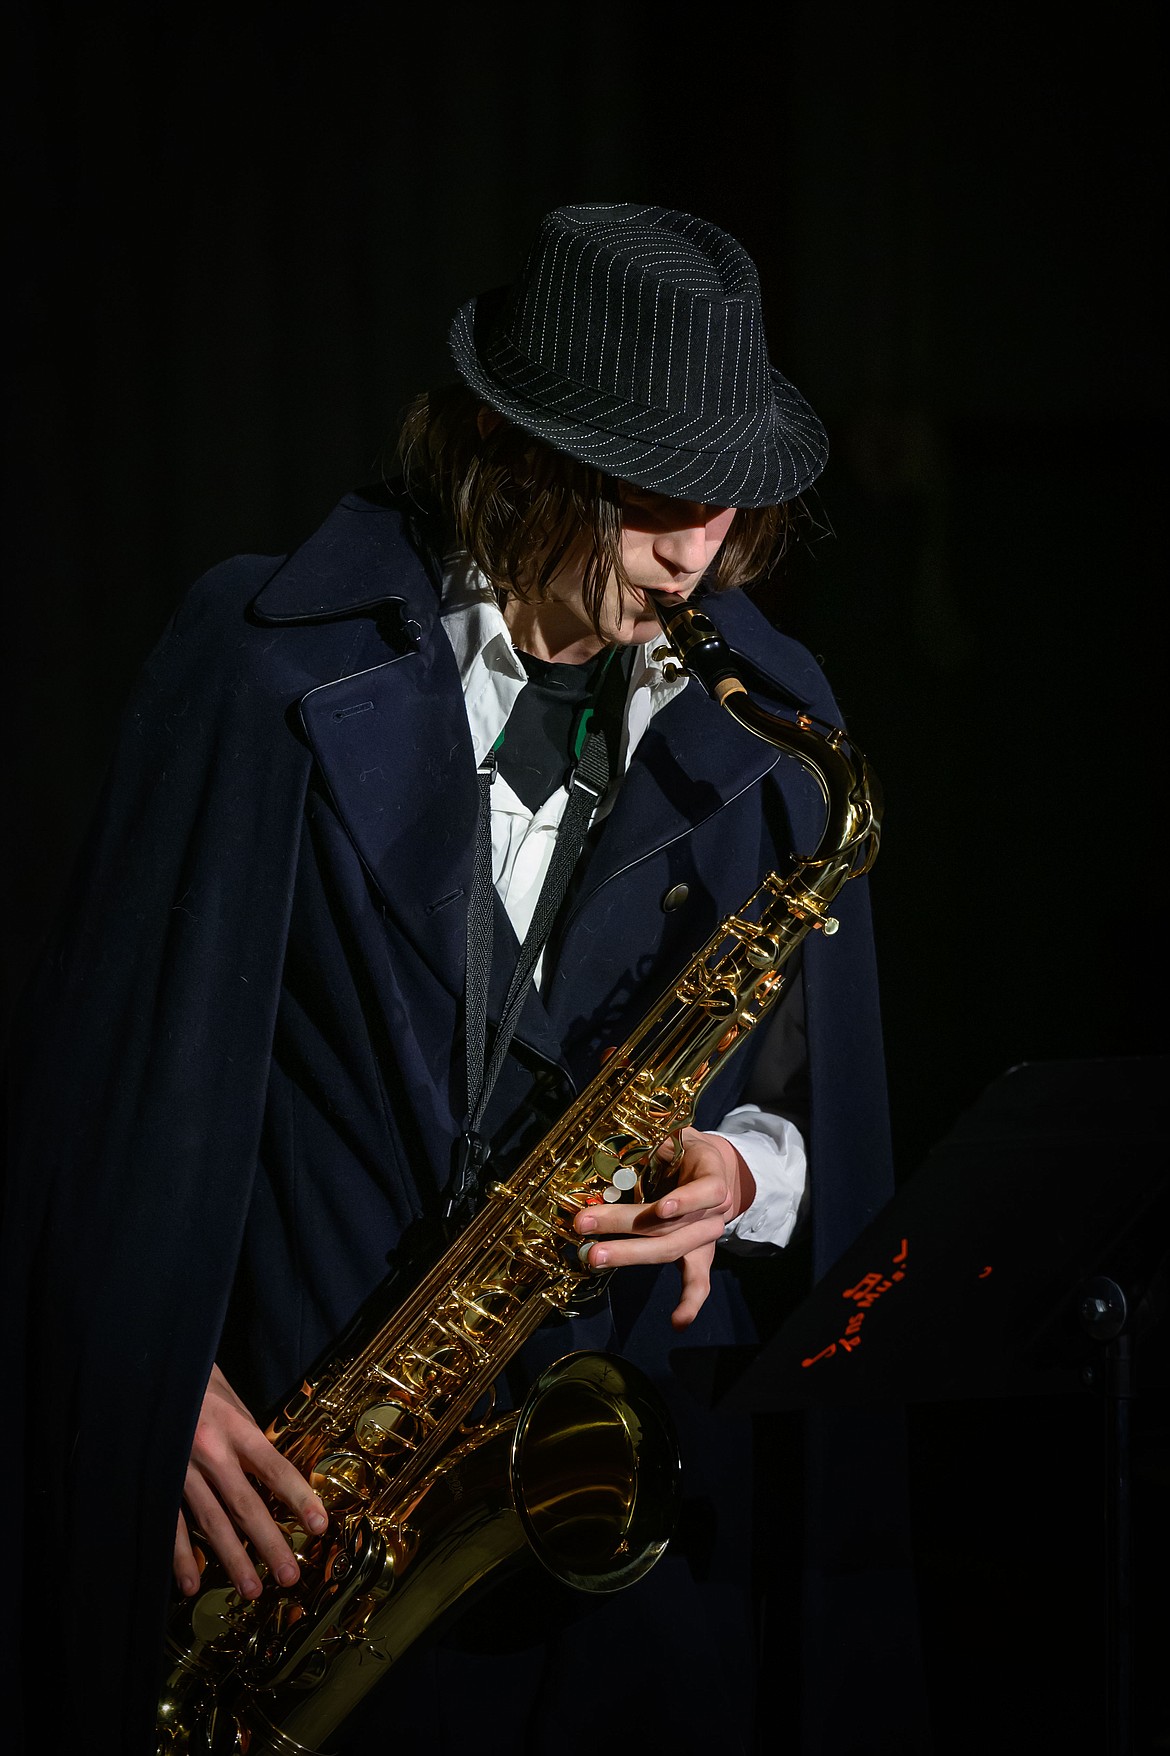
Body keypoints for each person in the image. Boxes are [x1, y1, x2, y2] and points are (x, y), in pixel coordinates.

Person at [2, 204, 914, 1754]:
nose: (697, 547)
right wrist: (134, 1381)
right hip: (291, 1535)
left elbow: (818, 1124)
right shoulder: (260, 661)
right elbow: (89, 1097)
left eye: (732, 504)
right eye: (652, 488)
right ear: (511, 442)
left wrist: (739, 1173)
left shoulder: (772, 717)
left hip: (622, 1539)